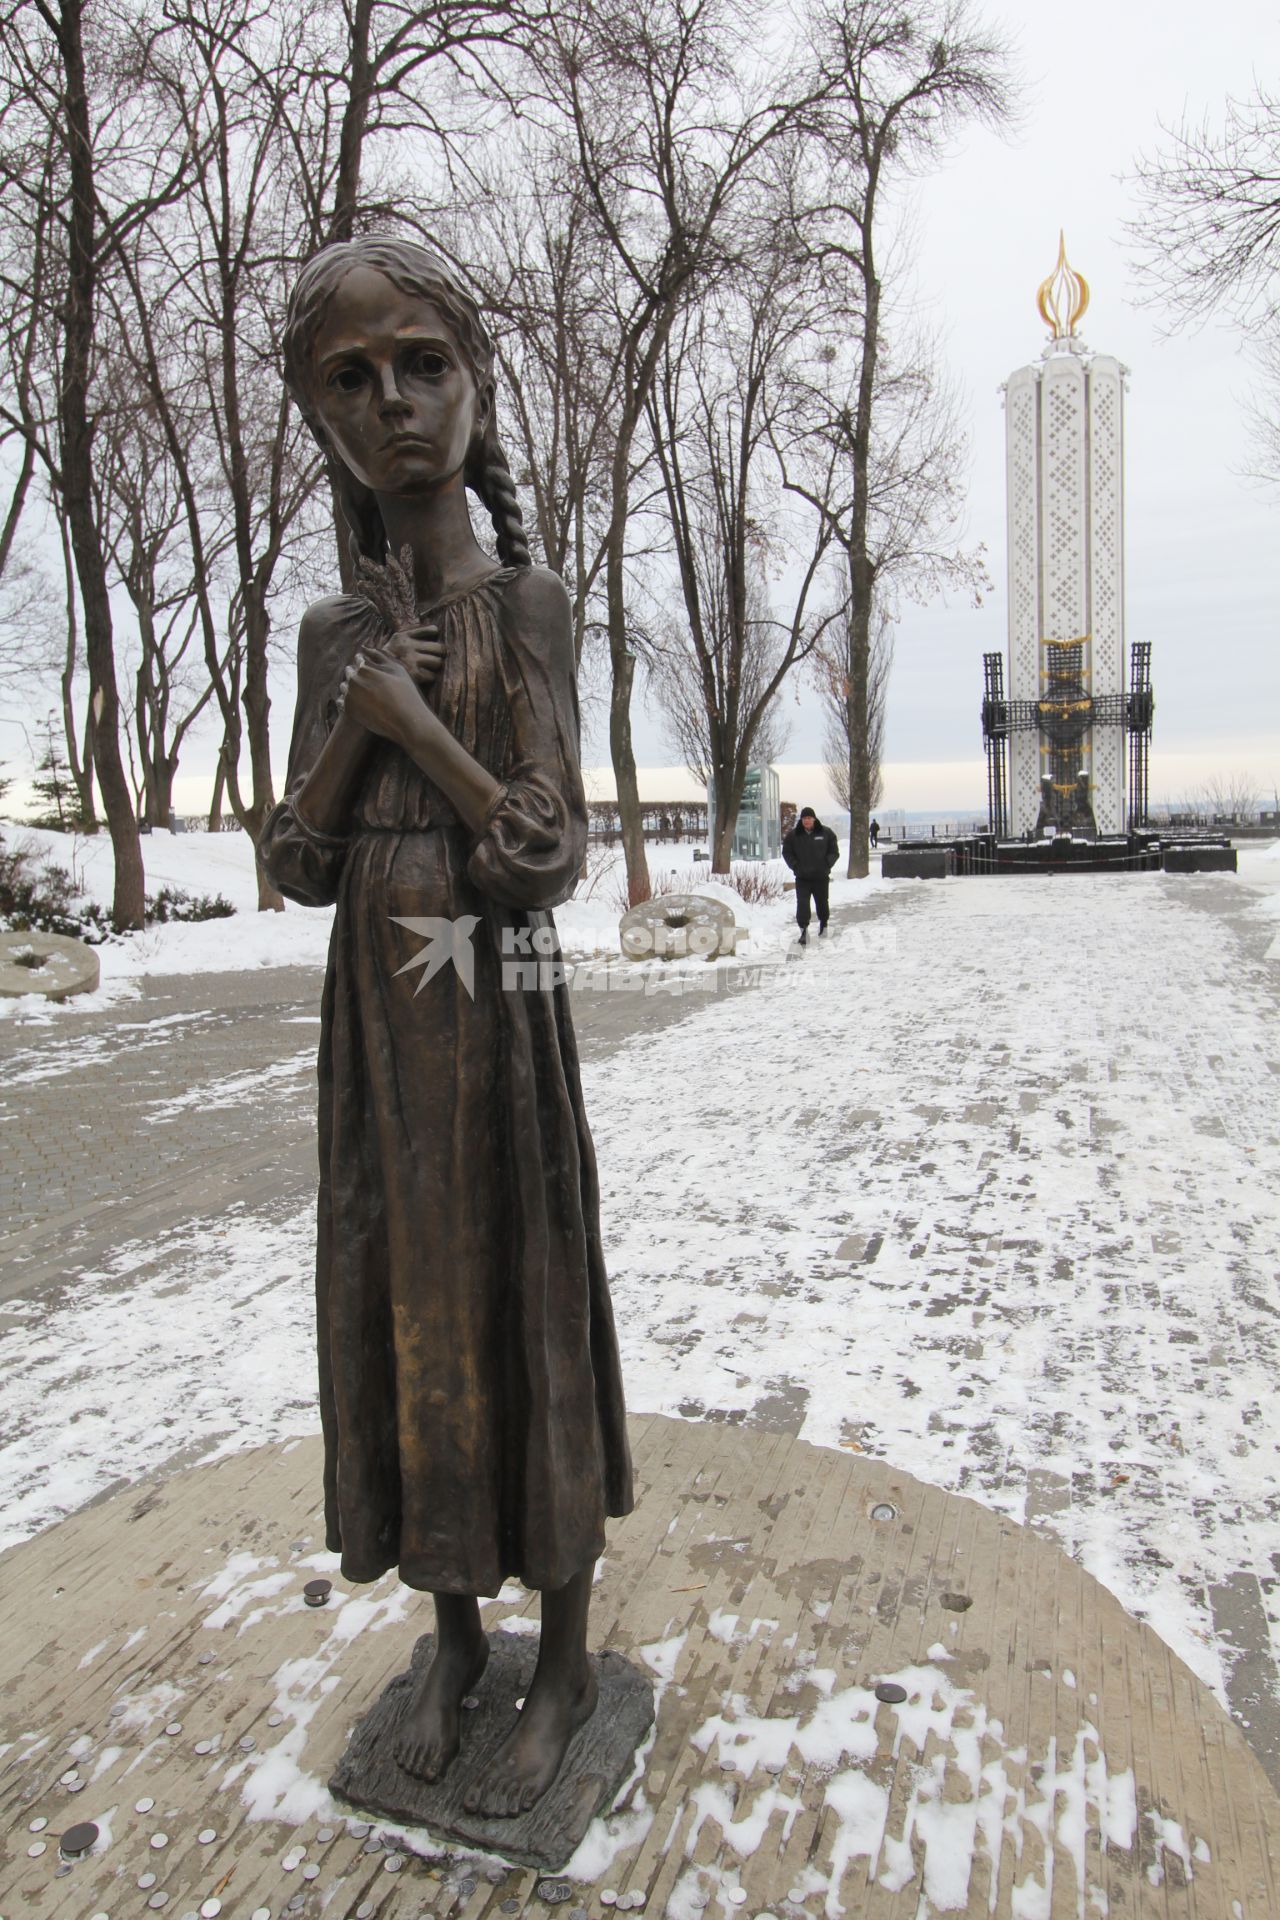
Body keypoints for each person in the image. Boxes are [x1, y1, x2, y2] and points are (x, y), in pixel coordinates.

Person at [260, 237, 633, 1819]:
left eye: (423, 365)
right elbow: (293, 862)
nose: (394, 403)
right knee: (408, 1299)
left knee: (516, 1291)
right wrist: (355, 735)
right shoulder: (326, 640)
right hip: (380, 1014)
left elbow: (546, 858)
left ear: (476, 395)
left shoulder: (528, 604)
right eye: (353, 381)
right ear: (324, 423)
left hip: (488, 997)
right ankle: (453, 1632)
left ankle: (560, 1656)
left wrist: (425, 734)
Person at [782, 805, 839, 944]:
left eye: (809, 818)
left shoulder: (826, 833)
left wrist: (826, 864)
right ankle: (803, 931)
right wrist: (795, 866)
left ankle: (823, 924)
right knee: (802, 905)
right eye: (804, 818)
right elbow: (787, 852)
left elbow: (834, 851)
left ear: (814, 819)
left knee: (822, 902)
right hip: (803, 878)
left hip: (821, 877)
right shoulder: (794, 835)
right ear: (801, 820)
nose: (806, 821)